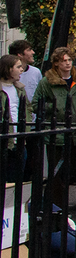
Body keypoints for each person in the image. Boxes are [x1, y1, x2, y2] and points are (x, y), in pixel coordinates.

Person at [34, 48, 76, 208]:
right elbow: (36, 103)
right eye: (64, 60)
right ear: (56, 63)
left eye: (69, 60)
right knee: (57, 173)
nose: (67, 63)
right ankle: (57, 206)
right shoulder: (47, 82)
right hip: (57, 132)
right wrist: (56, 107)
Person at [0, 55, 27, 183]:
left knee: (17, 180)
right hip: (4, 140)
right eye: (18, 67)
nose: (21, 70)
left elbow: (27, 110)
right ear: (8, 69)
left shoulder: (20, 88)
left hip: (19, 139)